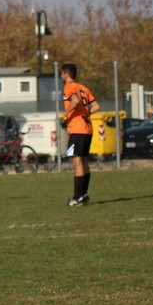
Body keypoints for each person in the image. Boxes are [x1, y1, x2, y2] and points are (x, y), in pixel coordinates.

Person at [59, 63, 100, 206]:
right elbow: (96, 106)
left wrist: (65, 113)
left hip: (77, 130)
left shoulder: (69, 87)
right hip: (88, 129)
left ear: (67, 74)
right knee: (83, 161)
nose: (61, 76)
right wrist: (84, 113)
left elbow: (75, 101)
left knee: (76, 161)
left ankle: (78, 197)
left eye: (62, 74)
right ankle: (84, 195)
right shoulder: (84, 88)